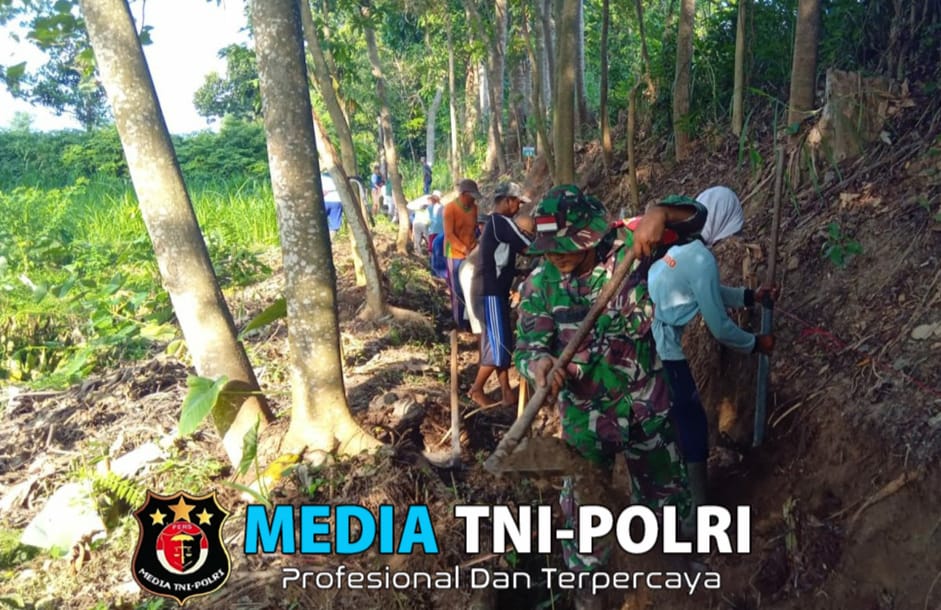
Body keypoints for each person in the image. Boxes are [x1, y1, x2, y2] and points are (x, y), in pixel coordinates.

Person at [514, 185, 705, 608]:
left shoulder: (634, 252)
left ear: (590, 236)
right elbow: (528, 347)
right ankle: (588, 596)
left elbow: (696, 220)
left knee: (667, 505)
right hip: (584, 423)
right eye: (549, 249)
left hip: (647, 412)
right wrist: (540, 367)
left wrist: (661, 210)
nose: (556, 257)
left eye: (565, 247)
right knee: (585, 521)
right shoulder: (540, 285)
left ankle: (681, 578)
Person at [647, 186, 776, 513]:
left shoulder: (673, 256)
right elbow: (719, 325)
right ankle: (696, 508)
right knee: (691, 424)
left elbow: (711, 291)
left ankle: (679, 499)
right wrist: (755, 344)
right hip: (677, 354)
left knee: (676, 419)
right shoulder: (701, 257)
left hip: (662, 347)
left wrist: (750, 297)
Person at [467, 182, 534, 408]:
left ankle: (506, 393)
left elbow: (499, 259)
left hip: (490, 290)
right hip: (489, 292)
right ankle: (476, 390)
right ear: (507, 201)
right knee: (499, 347)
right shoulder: (500, 222)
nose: (518, 208)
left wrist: (519, 271)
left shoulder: (496, 224)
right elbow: (527, 246)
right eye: (517, 203)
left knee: (499, 344)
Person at [444, 179, 482, 331]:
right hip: (454, 254)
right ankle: (459, 323)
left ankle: (472, 320)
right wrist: (463, 249)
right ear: (464, 194)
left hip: (471, 253)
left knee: (472, 287)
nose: (473, 199)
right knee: (457, 290)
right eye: (471, 196)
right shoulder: (450, 209)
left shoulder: (474, 208)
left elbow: (475, 230)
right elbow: (449, 234)